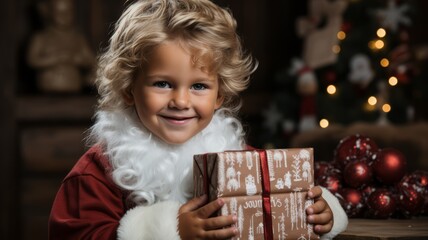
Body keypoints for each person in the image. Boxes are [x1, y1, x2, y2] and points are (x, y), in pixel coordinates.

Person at [48, 0, 348, 239]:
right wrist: (168, 231)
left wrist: (320, 212)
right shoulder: (96, 174)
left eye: (199, 86)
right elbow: (78, 233)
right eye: (162, 84)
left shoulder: (241, 161)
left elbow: (280, 198)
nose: (181, 101)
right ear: (128, 88)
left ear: (219, 96)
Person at [27, 0, 95, 93]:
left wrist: (77, 59)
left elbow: (91, 61)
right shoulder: (40, 38)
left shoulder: (78, 38)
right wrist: (55, 58)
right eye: (59, 12)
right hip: (46, 92)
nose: (65, 16)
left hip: (74, 91)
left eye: (69, 11)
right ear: (47, 12)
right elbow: (32, 60)